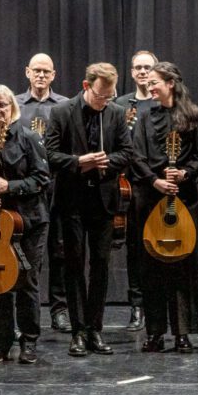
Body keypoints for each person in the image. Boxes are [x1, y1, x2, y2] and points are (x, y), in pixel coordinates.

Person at [45, 63, 134, 357]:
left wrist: (107, 161)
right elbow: (49, 155)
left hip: (104, 200)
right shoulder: (61, 112)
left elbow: (127, 152)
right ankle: (78, 331)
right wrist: (79, 162)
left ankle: (95, 328)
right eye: (100, 95)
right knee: (74, 265)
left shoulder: (116, 113)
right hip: (72, 200)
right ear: (86, 86)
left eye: (110, 96)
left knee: (101, 265)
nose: (105, 101)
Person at [132, 62, 198, 353]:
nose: (149, 86)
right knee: (151, 267)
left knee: (183, 267)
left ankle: (182, 332)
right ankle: (154, 332)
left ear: (170, 83)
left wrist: (185, 173)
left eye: (154, 82)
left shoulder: (193, 116)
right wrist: (155, 181)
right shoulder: (144, 117)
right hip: (151, 198)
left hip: (183, 200)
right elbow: (136, 156)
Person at [0, 86, 50, 364]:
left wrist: (10, 186)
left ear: (11, 108)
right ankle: (2, 340)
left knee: (26, 281)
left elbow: (42, 179)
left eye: (2, 105)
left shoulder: (28, 138)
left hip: (28, 222)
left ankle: (29, 340)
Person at [13, 53, 72, 333]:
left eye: (46, 71)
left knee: (59, 251)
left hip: (59, 188)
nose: (41, 75)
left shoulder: (65, 105)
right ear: (27, 72)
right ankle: (25, 313)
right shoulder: (14, 104)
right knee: (23, 255)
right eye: (36, 70)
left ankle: (59, 309)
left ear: (53, 75)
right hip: (26, 192)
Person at [112, 50, 160, 331]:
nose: (143, 72)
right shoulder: (121, 105)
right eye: (138, 67)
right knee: (133, 248)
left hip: (154, 184)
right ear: (131, 72)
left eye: (148, 67)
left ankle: (157, 306)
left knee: (156, 246)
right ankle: (137, 307)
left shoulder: (161, 101)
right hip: (128, 188)